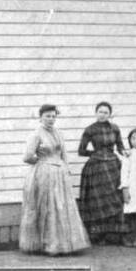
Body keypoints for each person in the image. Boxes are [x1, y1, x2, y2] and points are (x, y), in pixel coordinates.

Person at [19, 104, 90, 255]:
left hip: (60, 174)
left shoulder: (58, 133)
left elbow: (64, 153)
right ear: (41, 117)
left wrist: (66, 169)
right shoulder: (36, 134)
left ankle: (62, 244)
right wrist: (41, 162)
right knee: (47, 206)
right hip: (44, 174)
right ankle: (46, 244)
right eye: (47, 116)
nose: (51, 119)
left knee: (61, 207)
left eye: (53, 116)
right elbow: (27, 157)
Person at [77, 101, 126, 243]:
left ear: (110, 114)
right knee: (97, 201)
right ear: (96, 112)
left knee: (114, 198)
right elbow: (81, 151)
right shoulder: (89, 130)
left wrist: (127, 156)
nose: (103, 115)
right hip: (96, 168)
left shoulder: (115, 128)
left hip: (112, 167)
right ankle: (98, 235)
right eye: (100, 112)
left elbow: (120, 147)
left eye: (106, 112)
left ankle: (114, 235)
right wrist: (96, 154)